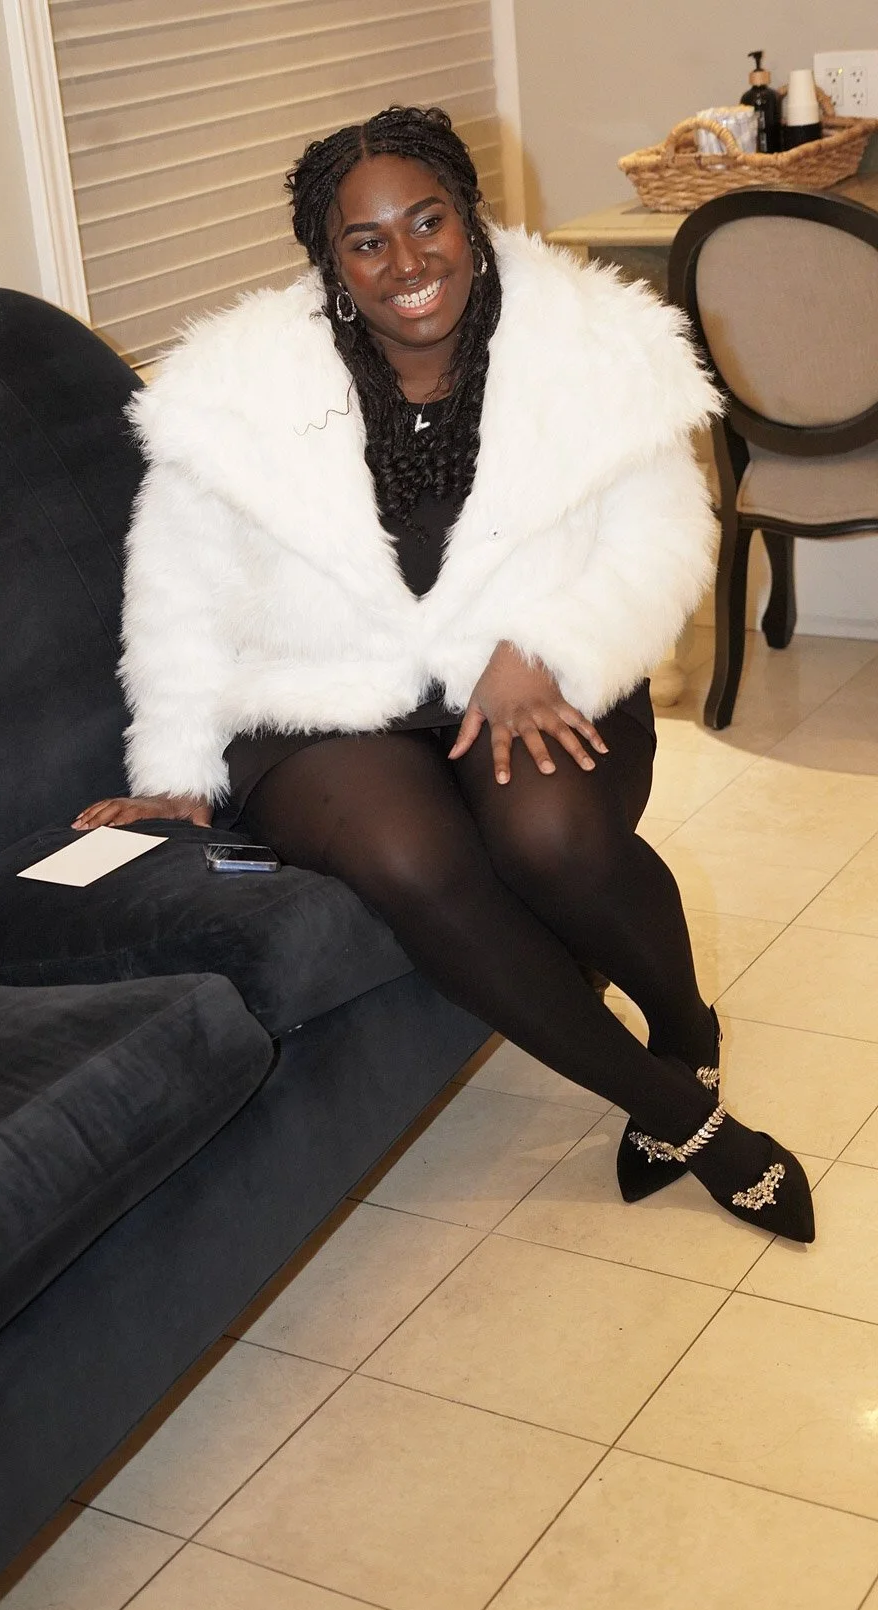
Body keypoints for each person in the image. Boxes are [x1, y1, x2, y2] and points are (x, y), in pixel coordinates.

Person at [74, 107, 813, 1243]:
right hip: (326, 693)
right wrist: (175, 767)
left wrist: (543, 645)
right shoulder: (237, 391)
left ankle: (684, 1029)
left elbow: (664, 538)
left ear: (470, 216)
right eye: (366, 240)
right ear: (330, 261)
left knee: (549, 837)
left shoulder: (594, 349)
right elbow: (175, 587)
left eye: (427, 222)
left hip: (526, 669)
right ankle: (689, 1118)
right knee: (408, 857)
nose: (406, 261)